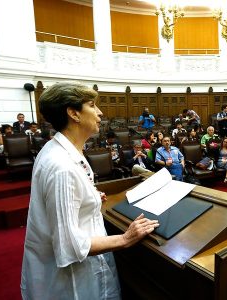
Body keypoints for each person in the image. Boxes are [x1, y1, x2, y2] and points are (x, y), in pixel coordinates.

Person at [21, 82, 159, 299]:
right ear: (73, 113)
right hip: (71, 284)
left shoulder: (60, 150)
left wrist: (90, 197)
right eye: (92, 105)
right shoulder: (61, 167)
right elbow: (69, 247)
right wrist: (125, 238)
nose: (100, 112)